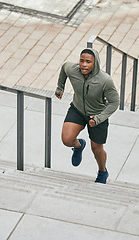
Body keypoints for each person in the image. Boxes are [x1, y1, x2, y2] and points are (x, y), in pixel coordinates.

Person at [55, 48, 119, 184]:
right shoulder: (72, 69)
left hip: (97, 115)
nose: (84, 64)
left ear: (95, 63)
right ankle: (78, 146)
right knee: (66, 140)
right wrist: (60, 87)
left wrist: (99, 118)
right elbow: (64, 68)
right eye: (82, 61)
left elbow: (114, 102)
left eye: (88, 62)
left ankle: (102, 171)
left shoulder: (105, 80)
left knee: (97, 150)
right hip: (77, 109)